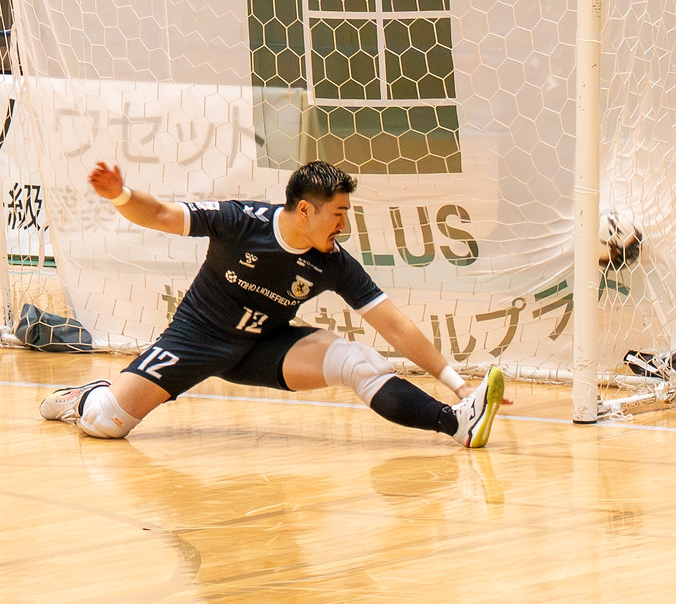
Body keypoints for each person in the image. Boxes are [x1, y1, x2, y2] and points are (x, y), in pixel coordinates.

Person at [36, 160, 508, 448]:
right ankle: (86, 396)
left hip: (265, 347)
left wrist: (456, 384)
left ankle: (456, 425)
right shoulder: (239, 221)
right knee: (106, 424)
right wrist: (119, 193)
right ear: (306, 210)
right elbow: (159, 214)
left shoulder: (333, 262)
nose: (344, 224)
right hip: (199, 338)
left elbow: (396, 327)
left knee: (358, 360)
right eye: (339, 213)